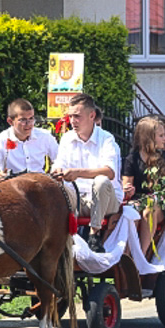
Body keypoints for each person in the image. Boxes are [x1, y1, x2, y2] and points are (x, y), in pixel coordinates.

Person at [52, 94, 123, 253]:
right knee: (53, 187)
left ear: (92, 116)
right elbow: (59, 164)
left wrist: (78, 173)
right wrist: (56, 171)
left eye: (77, 116)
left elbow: (109, 172)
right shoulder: (67, 138)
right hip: (78, 198)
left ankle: (94, 235)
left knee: (101, 181)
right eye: (70, 116)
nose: (72, 121)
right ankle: (56, 240)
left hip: (106, 201)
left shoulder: (106, 139)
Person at [122, 115, 165, 256]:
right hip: (138, 200)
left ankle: (141, 255)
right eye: (161, 135)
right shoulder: (132, 159)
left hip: (160, 202)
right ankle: (125, 255)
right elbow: (126, 186)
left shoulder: (164, 157)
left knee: (148, 210)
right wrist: (127, 190)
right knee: (132, 211)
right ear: (149, 138)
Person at [0, 98, 59, 182]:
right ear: (10, 121)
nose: (29, 124)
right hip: (14, 188)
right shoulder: (0, 141)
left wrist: (56, 168)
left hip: (40, 186)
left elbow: (60, 159)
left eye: (31, 118)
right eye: (23, 120)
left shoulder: (44, 136)